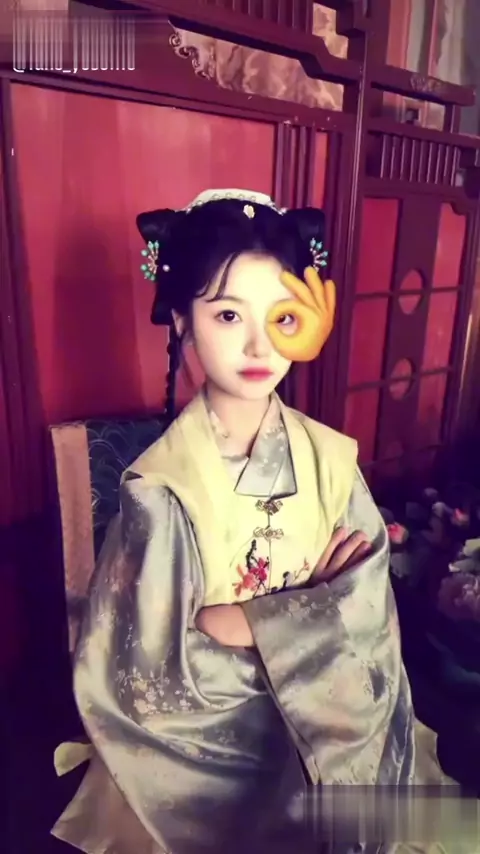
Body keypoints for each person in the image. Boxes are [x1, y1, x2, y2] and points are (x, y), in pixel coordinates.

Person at [52, 189, 450, 854]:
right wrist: (307, 610)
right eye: (229, 314)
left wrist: (253, 620)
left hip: (327, 699)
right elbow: (150, 660)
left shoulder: (330, 459)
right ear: (181, 320)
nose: (260, 343)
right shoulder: (164, 486)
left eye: (282, 315)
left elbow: (365, 599)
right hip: (211, 725)